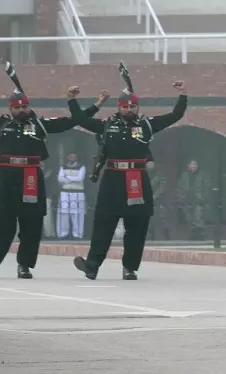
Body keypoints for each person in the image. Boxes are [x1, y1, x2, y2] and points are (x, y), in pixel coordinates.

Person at [70, 80, 188, 280]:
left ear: (137, 107)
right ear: (119, 108)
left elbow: (175, 116)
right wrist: (72, 100)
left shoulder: (147, 125)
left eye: (132, 106)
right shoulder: (107, 125)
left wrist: (183, 95)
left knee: (137, 226)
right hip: (113, 179)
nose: (129, 109)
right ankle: (92, 266)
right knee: (103, 224)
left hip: (137, 179)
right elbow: (81, 120)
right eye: (125, 107)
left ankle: (130, 268)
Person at [0, 85, 84, 279]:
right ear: (10, 109)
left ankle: (24, 265)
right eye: (17, 107)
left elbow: (73, 121)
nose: (21, 110)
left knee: (31, 222)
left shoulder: (40, 124)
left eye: (24, 107)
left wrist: (72, 101)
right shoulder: (1, 123)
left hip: (30, 176)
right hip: (6, 176)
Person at [57, 152, 87, 239]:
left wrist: (67, 178)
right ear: (67, 158)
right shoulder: (63, 167)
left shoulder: (81, 167)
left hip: (78, 193)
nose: (72, 158)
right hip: (65, 192)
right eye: (70, 157)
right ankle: (63, 234)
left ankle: (77, 234)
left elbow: (80, 178)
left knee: (77, 214)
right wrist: (73, 179)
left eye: (74, 157)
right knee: (63, 213)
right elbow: (60, 178)